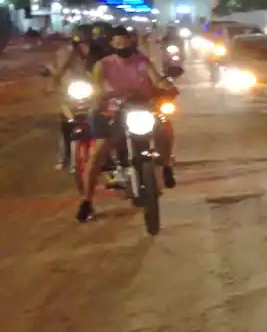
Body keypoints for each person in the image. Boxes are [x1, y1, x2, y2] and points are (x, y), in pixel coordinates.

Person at [77, 26, 176, 222]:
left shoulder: (142, 61)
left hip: (142, 109)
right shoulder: (103, 65)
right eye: (118, 41)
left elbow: (157, 80)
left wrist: (168, 87)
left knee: (165, 128)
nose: (122, 44)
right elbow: (97, 89)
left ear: (132, 41)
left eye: (125, 40)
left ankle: (166, 165)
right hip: (113, 112)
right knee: (99, 152)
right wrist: (102, 98)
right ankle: (86, 201)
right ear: (112, 44)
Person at [51, 26, 95, 171]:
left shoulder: (95, 50)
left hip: (89, 87)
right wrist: (54, 82)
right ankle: (64, 157)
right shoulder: (65, 51)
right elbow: (59, 69)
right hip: (69, 88)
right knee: (66, 123)